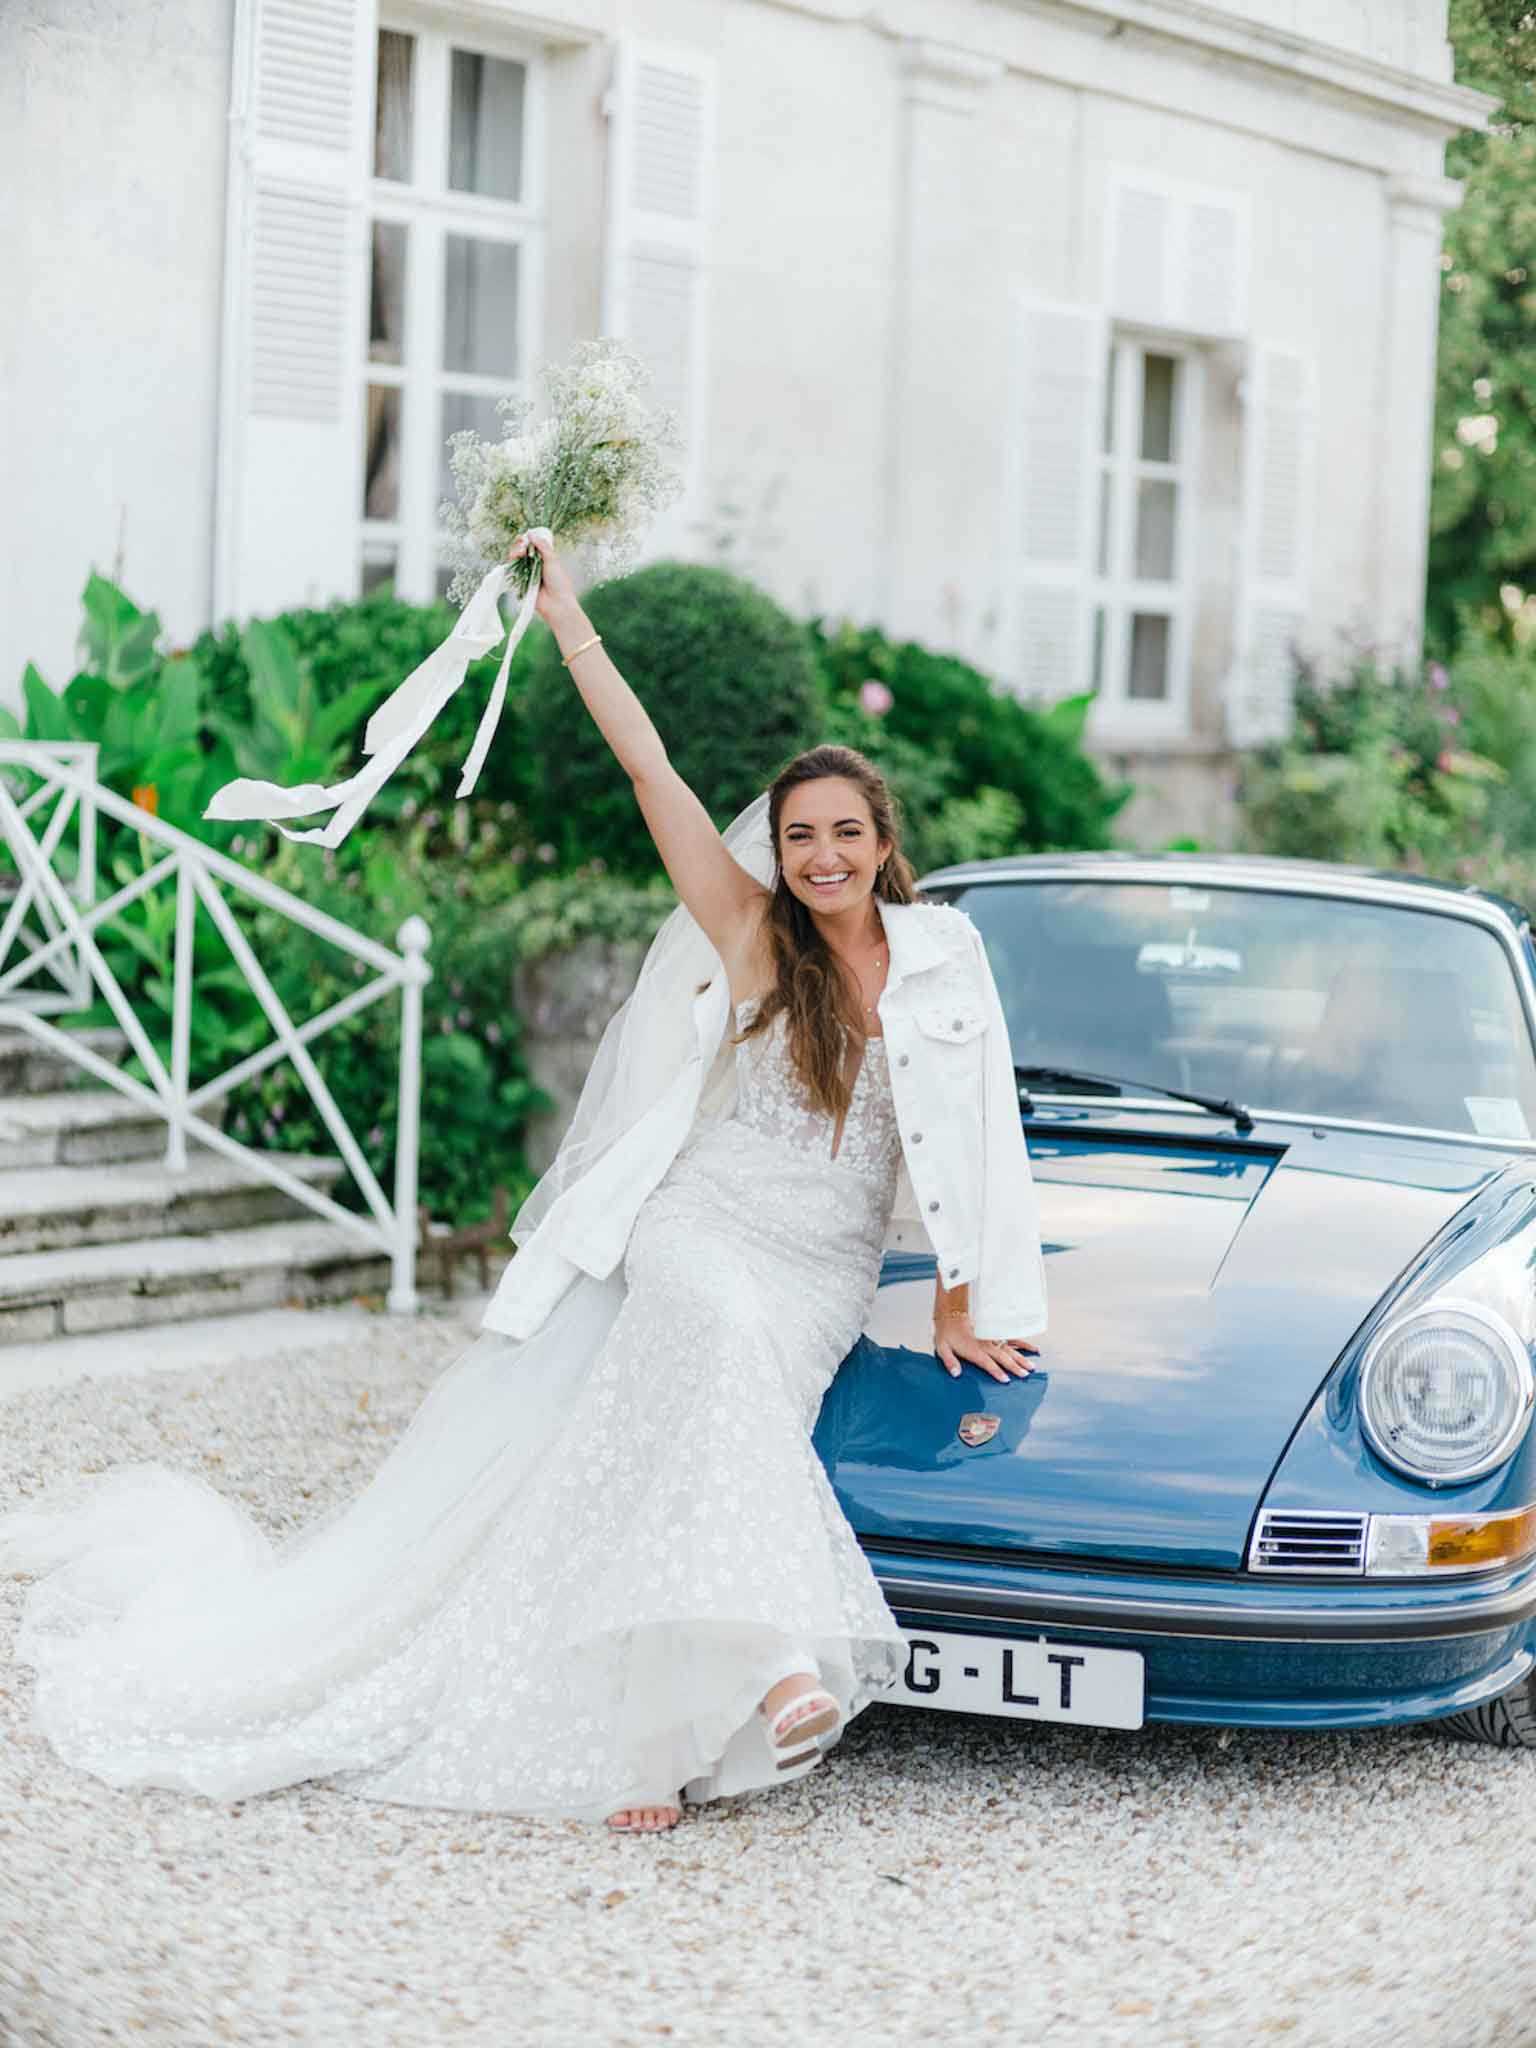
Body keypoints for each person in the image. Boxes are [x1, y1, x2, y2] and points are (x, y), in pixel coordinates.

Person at [0, 532, 1047, 1835]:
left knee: (693, 1440)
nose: (822, 853)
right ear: (776, 848)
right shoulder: (747, 927)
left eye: (845, 832)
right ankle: (781, 1664)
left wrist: (966, 1293)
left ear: (884, 842)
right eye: (800, 835)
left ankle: (652, 1741)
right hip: (704, 1227)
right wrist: (569, 620)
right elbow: (649, 768)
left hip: (819, 1265)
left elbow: (978, 1128)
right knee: (715, 1351)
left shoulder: (947, 960)